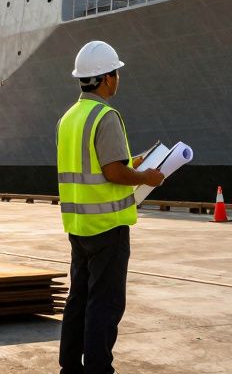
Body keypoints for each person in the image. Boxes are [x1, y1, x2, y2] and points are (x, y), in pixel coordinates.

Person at [57, 40, 164, 374]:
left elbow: (93, 165)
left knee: (78, 300)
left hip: (79, 227)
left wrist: (134, 161)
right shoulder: (106, 115)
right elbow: (112, 172)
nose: (118, 78)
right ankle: (100, 369)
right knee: (105, 303)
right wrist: (146, 176)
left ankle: (69, 366)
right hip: (108, 227)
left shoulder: (69, 118)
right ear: (105, 79)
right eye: (116, 73)